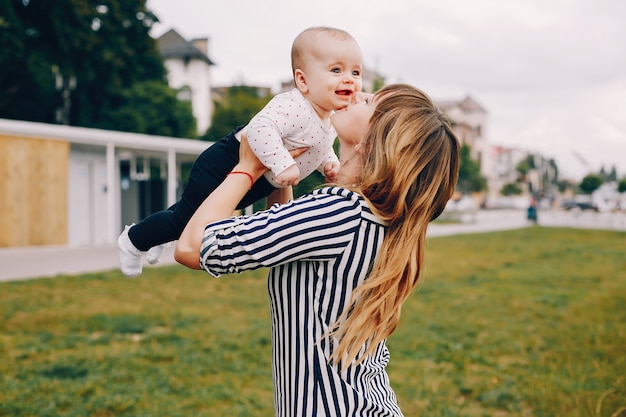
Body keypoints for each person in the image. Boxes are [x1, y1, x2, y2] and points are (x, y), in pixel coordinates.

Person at [175, 84, 461, 417]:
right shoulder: (377, 219)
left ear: (372, 143)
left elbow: (193, 247)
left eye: (368, 101)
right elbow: (283, 236)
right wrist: (278, 180)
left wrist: (248, 167)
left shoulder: (339, 212)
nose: (356, 92)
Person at [118, 26, 363, 277]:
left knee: (191, 212)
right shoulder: (295, 106)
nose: (349, 79)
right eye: (336, 70)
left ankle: (157, 235)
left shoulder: (328, 117)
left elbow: (319, 146)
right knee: (185, 220)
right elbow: (258, 128)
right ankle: (133, 239)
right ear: (303, 81)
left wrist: (329, 163)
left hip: (257, 180)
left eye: (356, 72)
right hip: (227, 162)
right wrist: (282, 163)